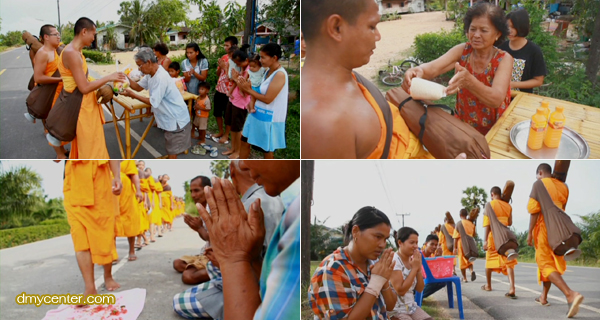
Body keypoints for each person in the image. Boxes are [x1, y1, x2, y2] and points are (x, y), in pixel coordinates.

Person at [301, 1, 464, 159]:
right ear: (337, 27)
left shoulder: (345, 76)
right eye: (372, 26)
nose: (378, 36)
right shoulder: (322, 124)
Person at [186, 160, 300, 320]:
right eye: (191, 191)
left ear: (232, 171)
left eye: (196, 190)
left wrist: (233, 260)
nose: (247, 165)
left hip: (244, 282)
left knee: (185, 286)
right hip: (246, 275)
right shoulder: (287, 203)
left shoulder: (289, 213)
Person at [402, 2, 513, 136]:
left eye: (483, 30)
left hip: (495, 127)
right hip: (464, 122)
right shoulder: (463, 51)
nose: (476, 35)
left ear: (497, 34)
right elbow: (433, 68)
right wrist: (418, 70)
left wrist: (469, 82)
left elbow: (496, 99)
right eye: (472, 29)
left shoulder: (504, 59)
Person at [54, 17, 127, 158]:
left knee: (92, 144)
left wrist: (105, 82)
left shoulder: (76, 51)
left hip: (84, 104)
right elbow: (84, 87)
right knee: (89, 149)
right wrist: (109, 77)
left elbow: (84, 79)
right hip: (80, 105)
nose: (94, 38)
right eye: (93, 34)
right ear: (84, 31)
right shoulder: (71, 53)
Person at [309, 206, 397, 319]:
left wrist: (383, 280)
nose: (382, 244)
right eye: (378, 236)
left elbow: (390, 306)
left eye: (385, 239)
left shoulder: (373, 263)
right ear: (355, 231)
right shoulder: (334, 269)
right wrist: (375, 282)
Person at [527, 163, 584, 317]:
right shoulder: (564, 187)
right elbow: (562, 208)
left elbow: (533, 211)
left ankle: (570, 294)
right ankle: (543, 298)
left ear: (540, 173)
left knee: (544, 263)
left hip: (545, 228)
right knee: (550, 264)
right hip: (560, 230)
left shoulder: (539, 184)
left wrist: (530, 232)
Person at [63, 160, 122, 296]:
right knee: (80, 241)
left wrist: (117, 176)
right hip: (74, 184)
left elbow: (109, 153)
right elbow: (57, 158)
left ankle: (108, 276)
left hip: (99, 182)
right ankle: (89, 288)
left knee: (104, 234)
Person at [123, 48, 192, 159]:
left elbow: (152, 102)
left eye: (140, 65)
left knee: (172, 152)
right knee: (171, 150)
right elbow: (138, 87)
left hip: (176, 119)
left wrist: (132, 95)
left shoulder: (160, 77)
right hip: (171, 118)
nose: (139, 69)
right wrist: (125, 78)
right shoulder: (151, 74)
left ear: (149, 62)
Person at [237, 43, 288, 159]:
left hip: (269, 118)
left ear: (274, 58)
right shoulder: (267, 71)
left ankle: (269, 173)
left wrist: (248, 90)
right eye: (260, 57)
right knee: (244, 140)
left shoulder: (280, 74)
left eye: (263, 57)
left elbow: (268, 99)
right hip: (257, 114)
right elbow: (259, 91)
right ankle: (241, 166)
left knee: (266, 149)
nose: (261, 60)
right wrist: (243, 85)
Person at [26, 24, 68, 159]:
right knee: (53, 126)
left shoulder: (54, 50)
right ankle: (59, 154)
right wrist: (60, 79)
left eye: (58, 34)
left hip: (58, 92)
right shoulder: (43, 53)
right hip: (49, 94)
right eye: (55, 34)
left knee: (58, 124)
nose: (58, 36)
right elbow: (38, 77)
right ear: (46, 37)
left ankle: (62, 150)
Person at [173, 176, 213, 285]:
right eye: (191, 191)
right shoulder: (202, 207)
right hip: (207, 252)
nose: (193, 195)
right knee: (177, 263)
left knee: (188, 276)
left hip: (219, 255)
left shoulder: (214, 208)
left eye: (196, 191)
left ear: (207, 189)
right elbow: (206, 237)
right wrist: (197, 228)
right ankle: (203, 266)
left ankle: (221, 272)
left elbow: (216, 238)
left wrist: (199, 228)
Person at [499, 8, 547, 93]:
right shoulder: (501, 47)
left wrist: (513, 84)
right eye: (507, 27)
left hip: (522, 99)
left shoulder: (533, 51)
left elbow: (538, 81)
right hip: (501, 96)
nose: (509, 31)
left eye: (513, 27)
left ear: (522, 27)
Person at [389, 227, 433, 320]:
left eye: (416, 243)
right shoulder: (395, 261)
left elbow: (420, 289)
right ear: (400, 243)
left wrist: (418, 269)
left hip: (411, 307)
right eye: (412, 242)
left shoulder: (413, 260)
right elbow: (400, 291)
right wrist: (414, 269)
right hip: (396, 310)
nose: (415, 246)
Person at [482, 186, 518, 297]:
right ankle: (512, 288)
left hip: (493, 236)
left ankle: (488, 285)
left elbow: (487, 224)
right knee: (509, 262)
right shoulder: (508, 206)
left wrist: (485, 240)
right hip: (506, 236)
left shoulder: (490, 205)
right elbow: (510, 222)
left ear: (492, 194)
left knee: (489, 261)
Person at [223, 50, 251, 159]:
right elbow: (235, 82)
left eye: (239, 63)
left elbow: (246, 90)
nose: (237, 65)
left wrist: (236, 79)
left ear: (246, 60)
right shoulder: (242, 68)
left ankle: (238, 151)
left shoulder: (250, 71)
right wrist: (230, 91)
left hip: (241, 103)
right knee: (232, 126)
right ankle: (233, 148)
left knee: (238, 128)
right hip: (233, 99)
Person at [212, 36, 239, 141]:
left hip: (230, 91)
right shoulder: (224, 57)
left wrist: (224, 67)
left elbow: (234, 77)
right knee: (217, 112)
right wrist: (220, 67)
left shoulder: (237, 59)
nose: (225, 47)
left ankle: (226, 134)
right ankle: (220, 131)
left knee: (227, 115)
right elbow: (218, 73)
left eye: (227, 45)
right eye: (225, 45)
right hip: (220, 88)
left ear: (234, 46)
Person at [116, 160, 143, 261]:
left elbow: (134, 175)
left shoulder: (127, 160)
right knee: (110, 221)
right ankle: (112, 253)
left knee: (130, 219)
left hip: (126, 192)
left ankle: (131, 250)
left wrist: (138, 190)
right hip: (109, 189)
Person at [420, 234, 446, 299]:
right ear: (426, 244)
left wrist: (438, 259)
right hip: (415, 282)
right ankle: (416, 298)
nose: (434, 247)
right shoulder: (419, 255)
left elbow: (437, 273)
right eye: (432, 244)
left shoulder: (431, 258)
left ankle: (419, 297)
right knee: (433, 282)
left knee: (442, 282)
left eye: (436, 245)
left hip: (423, 281)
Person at [453, 209, 476, 282]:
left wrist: (455, 247)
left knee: (462, 260)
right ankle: (472, 271)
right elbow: (474, 234)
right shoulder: (471, 223)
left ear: (460, 215)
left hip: (461, 242)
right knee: (470, 258)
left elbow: (455, 237)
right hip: (471, 242)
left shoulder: (459, 224)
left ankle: (465, 278)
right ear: (467, 215)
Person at [135, 161, 151, 249]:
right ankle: (142, 240)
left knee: (140, 221)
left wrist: (146, 202)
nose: (140, 166)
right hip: (132, 197)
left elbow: (145, 190)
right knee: (137, 221)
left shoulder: (142, 174)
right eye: (139, 165)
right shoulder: (133, 172)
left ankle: (142, 239)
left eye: (142, 165)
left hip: (141, 199)